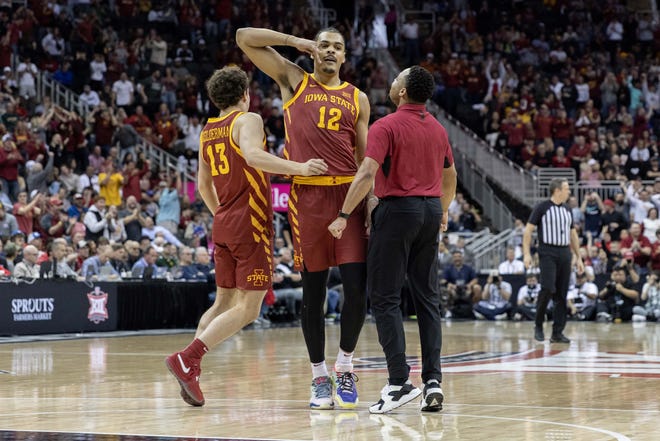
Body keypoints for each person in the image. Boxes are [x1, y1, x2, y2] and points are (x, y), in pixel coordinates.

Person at [165, 66, 327, 407]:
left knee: (223, 303)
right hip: (249, 223)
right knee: (250, 308)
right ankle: (189, 358)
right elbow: (253, 156)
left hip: (223, 222)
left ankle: (191, 368)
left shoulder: (207, 130)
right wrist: (300, 168)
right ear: (244, 95)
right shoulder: (247, 119)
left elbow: (203, 185)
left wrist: (223, 214)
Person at [236, 27, 370, 409]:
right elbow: (244, 37)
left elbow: (365, 161)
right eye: (324, 45)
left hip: (348, 197)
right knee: (313, 292)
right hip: (307, 198)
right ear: (315, 52)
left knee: (356, 289)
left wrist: (371, 199)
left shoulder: (357, 98)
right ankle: (318, 377)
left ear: (345, 57)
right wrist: (297, 43)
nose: (329, 51)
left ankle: (345, 365)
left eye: (337, 47)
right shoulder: (294, 80)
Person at [328, 66, 457, 414]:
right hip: (430, 211)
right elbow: (451, 177)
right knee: (428, 299)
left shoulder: (385, 126)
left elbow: (367, 171)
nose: (393, 82)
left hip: (398, 211)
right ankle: (433, 381)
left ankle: (399, 382)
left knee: (384, 297)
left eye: (397, 78)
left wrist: (342, 215)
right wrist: (442, 212)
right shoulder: (438, 129)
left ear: (402, 92)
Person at [523, 178, 584, 343]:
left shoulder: (567, 209)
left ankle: (557, 332)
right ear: (557, 190)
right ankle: (538, 324)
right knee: (548, 288)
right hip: (547, 251)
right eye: (566, 188)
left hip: (565, 252)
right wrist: (527, 254)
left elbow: (573, 234)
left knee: (562, 294)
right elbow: (528, 231)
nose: (569, 191)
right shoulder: (542, 207)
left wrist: (579, 257)